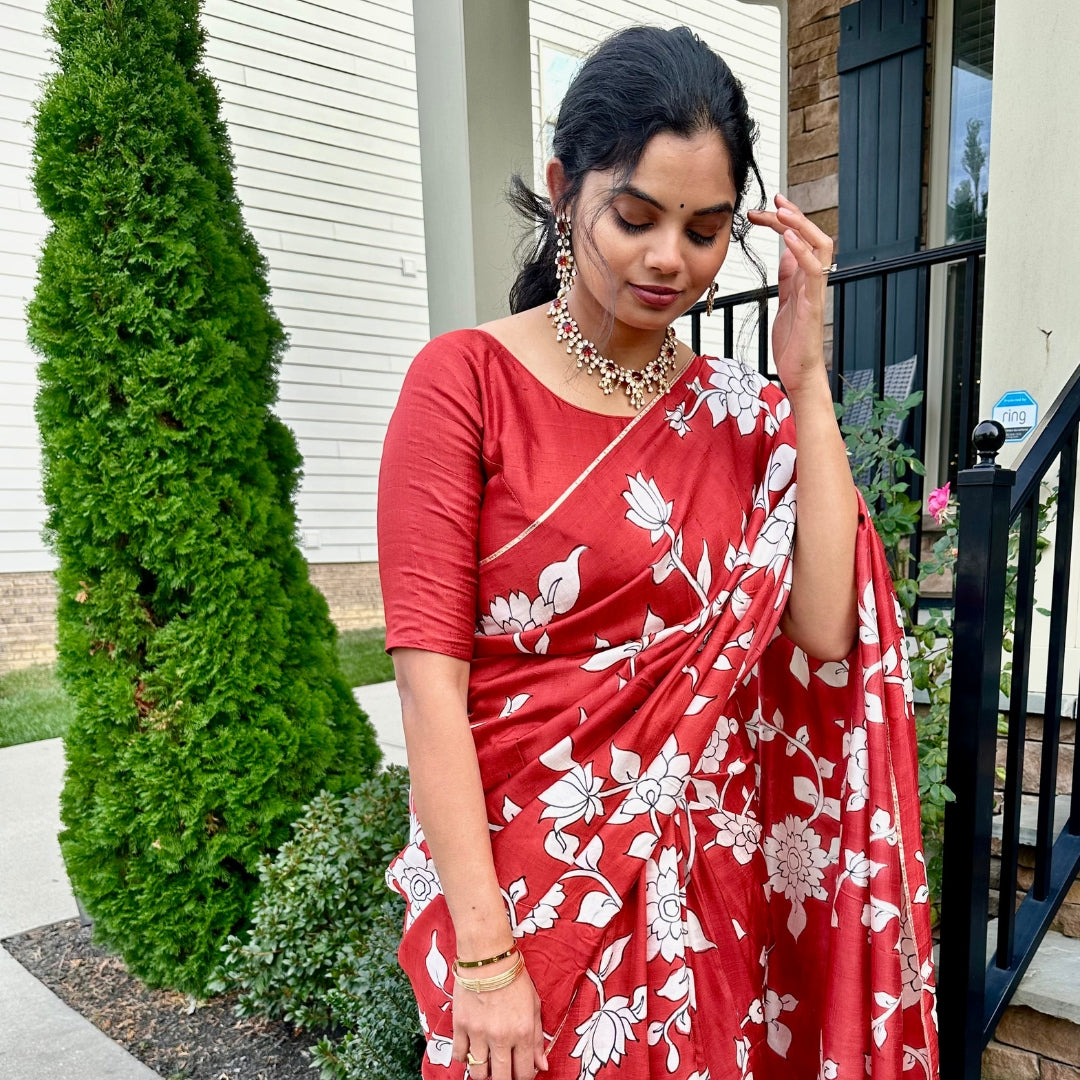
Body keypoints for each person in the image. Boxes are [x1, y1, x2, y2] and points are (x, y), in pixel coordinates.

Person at [378, 25, 939, 1080]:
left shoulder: (743, 414)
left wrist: (806, 377)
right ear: (563, 189)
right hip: (539, 894)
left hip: (718, 903)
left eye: (706, 230)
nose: (670, 260)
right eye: (635, 218)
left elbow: (824, 630)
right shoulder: (464, 386)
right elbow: (428, 691)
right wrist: (489, 962)